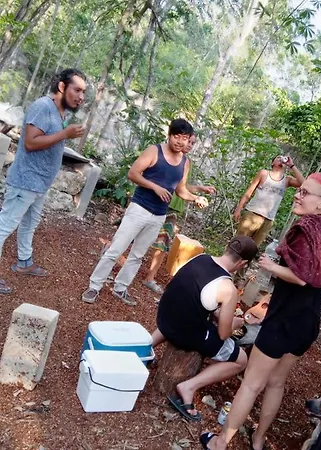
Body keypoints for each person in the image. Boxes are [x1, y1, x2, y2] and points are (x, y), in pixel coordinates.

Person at [200, 173, 321, 450]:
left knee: (251, 384)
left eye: (305, 193)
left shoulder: (305, 229)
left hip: (283, 322)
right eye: (299, 190)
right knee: (276, 382)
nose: (297, 195)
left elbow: (302, 277)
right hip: (307, 323)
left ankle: (219, 443)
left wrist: (270, 265)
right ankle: (258, 440)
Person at [81, 119, 207, 306]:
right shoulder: (154, 151)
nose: (180, 142)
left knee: (138, 255)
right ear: (169, 135)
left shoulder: (185, 162)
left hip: (159, 215)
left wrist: (195, 198)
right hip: (139, 208)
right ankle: (94, 285)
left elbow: (180, 190)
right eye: (177, 136)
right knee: (116, 249)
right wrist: (154, 187)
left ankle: (121, 287)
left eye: (185, 138)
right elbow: (133, 173)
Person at [151, 235, 258, 421]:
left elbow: (193, 294)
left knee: (184, 313)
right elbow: (223, 334)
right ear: (243, 263)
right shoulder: (228, 288)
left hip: (165, 317)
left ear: (227, 247)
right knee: (241, 360)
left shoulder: (200, 258)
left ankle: (145, 347)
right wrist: (234, 324)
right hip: (185, 333)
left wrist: (217, 313)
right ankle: (189, 387)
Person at [0, 68, 87, 294]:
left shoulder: (60, 112)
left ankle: (24, 262)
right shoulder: (43, 107)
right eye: (77, 90)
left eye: (83, 92)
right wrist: (65, 134)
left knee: (30, 224)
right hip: (25, 180)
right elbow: (30, 143)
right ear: (62, 87)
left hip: (40, 183)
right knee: (4, 226)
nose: (81, 97)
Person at [143, 134, 216, 294]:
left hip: (173, 208)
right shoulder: (164, 154)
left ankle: (150, 278)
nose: (189, 145)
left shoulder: (186, 162)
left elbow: (181, 187)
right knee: (138, 234)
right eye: (188, 141)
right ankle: (111, 250)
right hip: (153, 202)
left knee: (162, 243)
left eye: (192, 143)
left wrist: (200, 189)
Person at [233, 155, 304, 248]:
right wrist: (239, 209)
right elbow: (249, 192)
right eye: (278, 158)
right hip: (252, 214)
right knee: (238, 244)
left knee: (252, 248)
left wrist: (292, 165)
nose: (281, 159)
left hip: (268, 220)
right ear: (273, 163)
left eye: (282, 158)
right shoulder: (264, 173)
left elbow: (303, 183)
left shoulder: (287, 180)